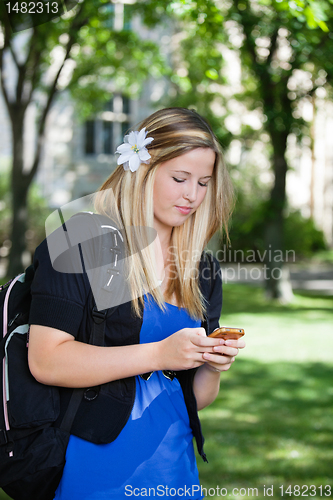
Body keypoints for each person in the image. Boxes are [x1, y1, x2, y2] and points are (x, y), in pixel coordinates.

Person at [28, 107, 246, 499]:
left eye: (203, 182)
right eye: (179, 178)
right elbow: (46, 361)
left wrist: (214, 366)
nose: (192, 195)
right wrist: (160, 354)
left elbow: (196, 398)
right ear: (142, 170)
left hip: (176, 473)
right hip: (94, 475)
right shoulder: (81, 243)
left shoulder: (202, 269)